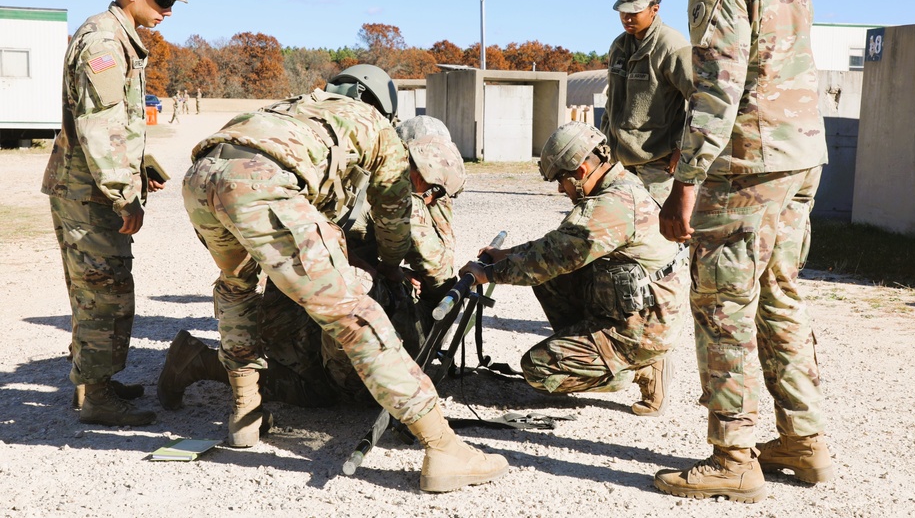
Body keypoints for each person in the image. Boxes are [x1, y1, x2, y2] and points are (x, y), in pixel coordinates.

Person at [179, 64, 506, 492]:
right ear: (380, 108)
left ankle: (245, 414)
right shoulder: (377, 129)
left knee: (238, 285)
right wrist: (388, 264)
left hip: (202, 176)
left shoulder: (297, 109)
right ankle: (443, 447)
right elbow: (394, 216)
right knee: (353, 314)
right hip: (259, 181)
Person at [651, 0, 831, 502]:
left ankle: (733, 455)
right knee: (780, 297)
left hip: (749, 169)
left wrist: (685, 184)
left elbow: (716, 93)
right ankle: (803, 441)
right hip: (801, 162)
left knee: (723, 305)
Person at [158, 121, 468, 410]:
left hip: (294, 305)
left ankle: (204, 359)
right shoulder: (391, 192)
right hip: (305, 310)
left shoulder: (345, 172)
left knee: (338, 362)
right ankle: (201, 362)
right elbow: (435, 269)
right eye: (431, 188)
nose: (431, 198)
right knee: (341, 393)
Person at [42, 0, 186, 426]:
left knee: (92, 290)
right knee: (104, 292)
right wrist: (124, 196)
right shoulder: (105, 43)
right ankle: (97, 397)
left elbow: (113, 123)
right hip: (90, 195)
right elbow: (99, 127)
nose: (166, 9)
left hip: (86, 188)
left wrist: (141, 164)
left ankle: (93, 383)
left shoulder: (117, 37)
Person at [459, 122, 687, 416]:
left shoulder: (609, 206)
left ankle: (630, 368)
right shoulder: (622, 184)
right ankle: (610, 354)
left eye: (561, 180)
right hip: (642, 309)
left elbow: (550, 260)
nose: (559, 188)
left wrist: (486, 274)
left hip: (643, 327)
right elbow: (556, 246)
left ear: (580, 172)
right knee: (551, 281)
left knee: (538, 370)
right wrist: (504, 255)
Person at [601, 0, 696, 206]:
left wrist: (682, 150)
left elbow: (700, 100)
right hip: (619, 165)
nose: (627, 17)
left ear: (655, 8)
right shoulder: (619, 46)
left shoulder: (672, 46)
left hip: (658, 168)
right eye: (623, 10)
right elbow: (611, 102)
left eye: (635, 11)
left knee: (662, 236)